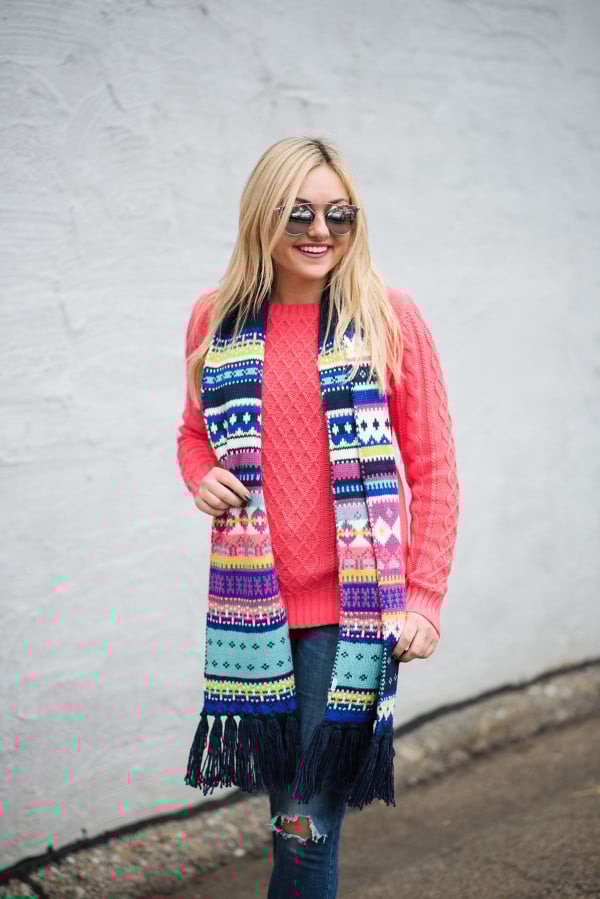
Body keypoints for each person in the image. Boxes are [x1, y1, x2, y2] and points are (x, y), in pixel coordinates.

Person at [177, 135, 460, 899]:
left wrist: (425, 596)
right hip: (258, 612)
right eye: (298, 212)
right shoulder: (216, 318)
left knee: (304, 822)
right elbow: (194, 432)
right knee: (289, 818)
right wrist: (201, 476)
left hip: (354, 617)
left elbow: (433, 468)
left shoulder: (387, 316)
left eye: (340, 213)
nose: (320, 230)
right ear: (261, 216)